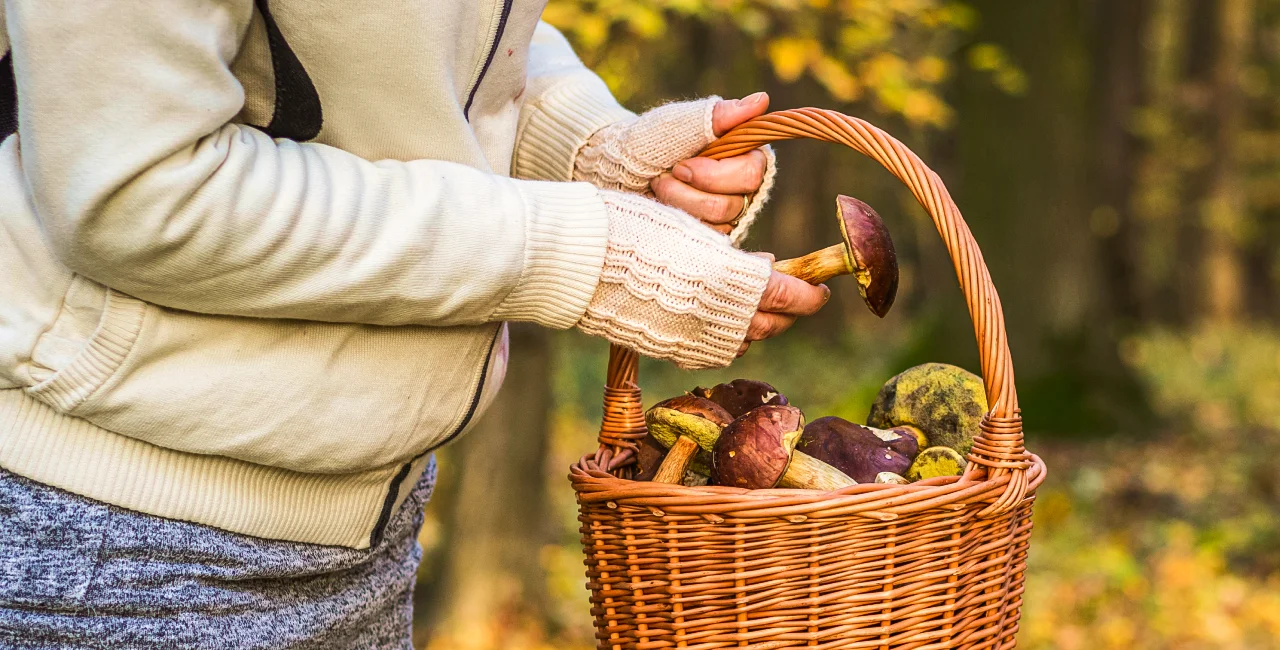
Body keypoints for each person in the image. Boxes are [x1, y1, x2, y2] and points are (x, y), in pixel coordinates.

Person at [0, 2, 829, 648]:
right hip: (118, 551)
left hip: (371, 535)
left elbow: (433, 42)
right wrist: (572, 250)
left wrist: (580, 141)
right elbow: (136, 191)